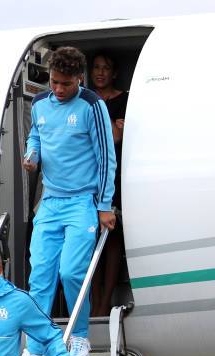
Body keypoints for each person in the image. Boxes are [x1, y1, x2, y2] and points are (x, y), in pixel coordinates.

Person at [20, 46, 116, 356]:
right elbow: (36, 135)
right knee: (40, 276)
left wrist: (104, 205)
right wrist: (32, 154)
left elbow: (106, 157)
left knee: (72, 272)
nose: (58, 89)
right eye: (54, 82)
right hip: (50, 202)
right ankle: (34, 351)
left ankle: (79, 337)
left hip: (81, 202)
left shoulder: (92, 105)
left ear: (78, 78)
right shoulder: (40, 104)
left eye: (65, 83)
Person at [90, 52, 129, 317]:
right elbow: (110, 135)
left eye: (106, 68)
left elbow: (118, 137)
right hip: (89, 175)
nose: (101, 72)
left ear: (114, 73)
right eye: (96, 68)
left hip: (114, 173)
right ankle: (92, 302)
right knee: (90, 239)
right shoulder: (86, 100)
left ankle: (105, 302)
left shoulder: (124, 100)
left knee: (113, 238)